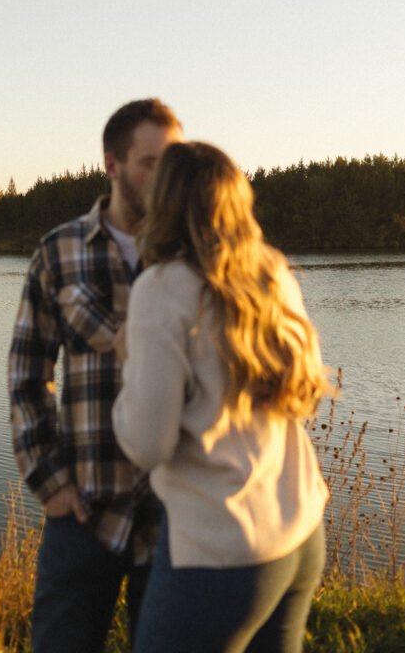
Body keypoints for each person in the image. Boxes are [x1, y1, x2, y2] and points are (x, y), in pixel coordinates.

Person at [112, 142, 331, 653]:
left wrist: (127, 368)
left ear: (163, 204)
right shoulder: (271, 272)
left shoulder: (162, 288)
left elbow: (148, 446)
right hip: (300, 532)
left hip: (223, 554)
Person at [8, 98, 184, 653]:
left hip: (176, 513)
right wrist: (48, 480)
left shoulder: (193, 255)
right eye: (150, 162)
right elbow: (28, 373)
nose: (163, 177)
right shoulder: (58, 252)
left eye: (172, 162)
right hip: (84, 510)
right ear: (111, 164)